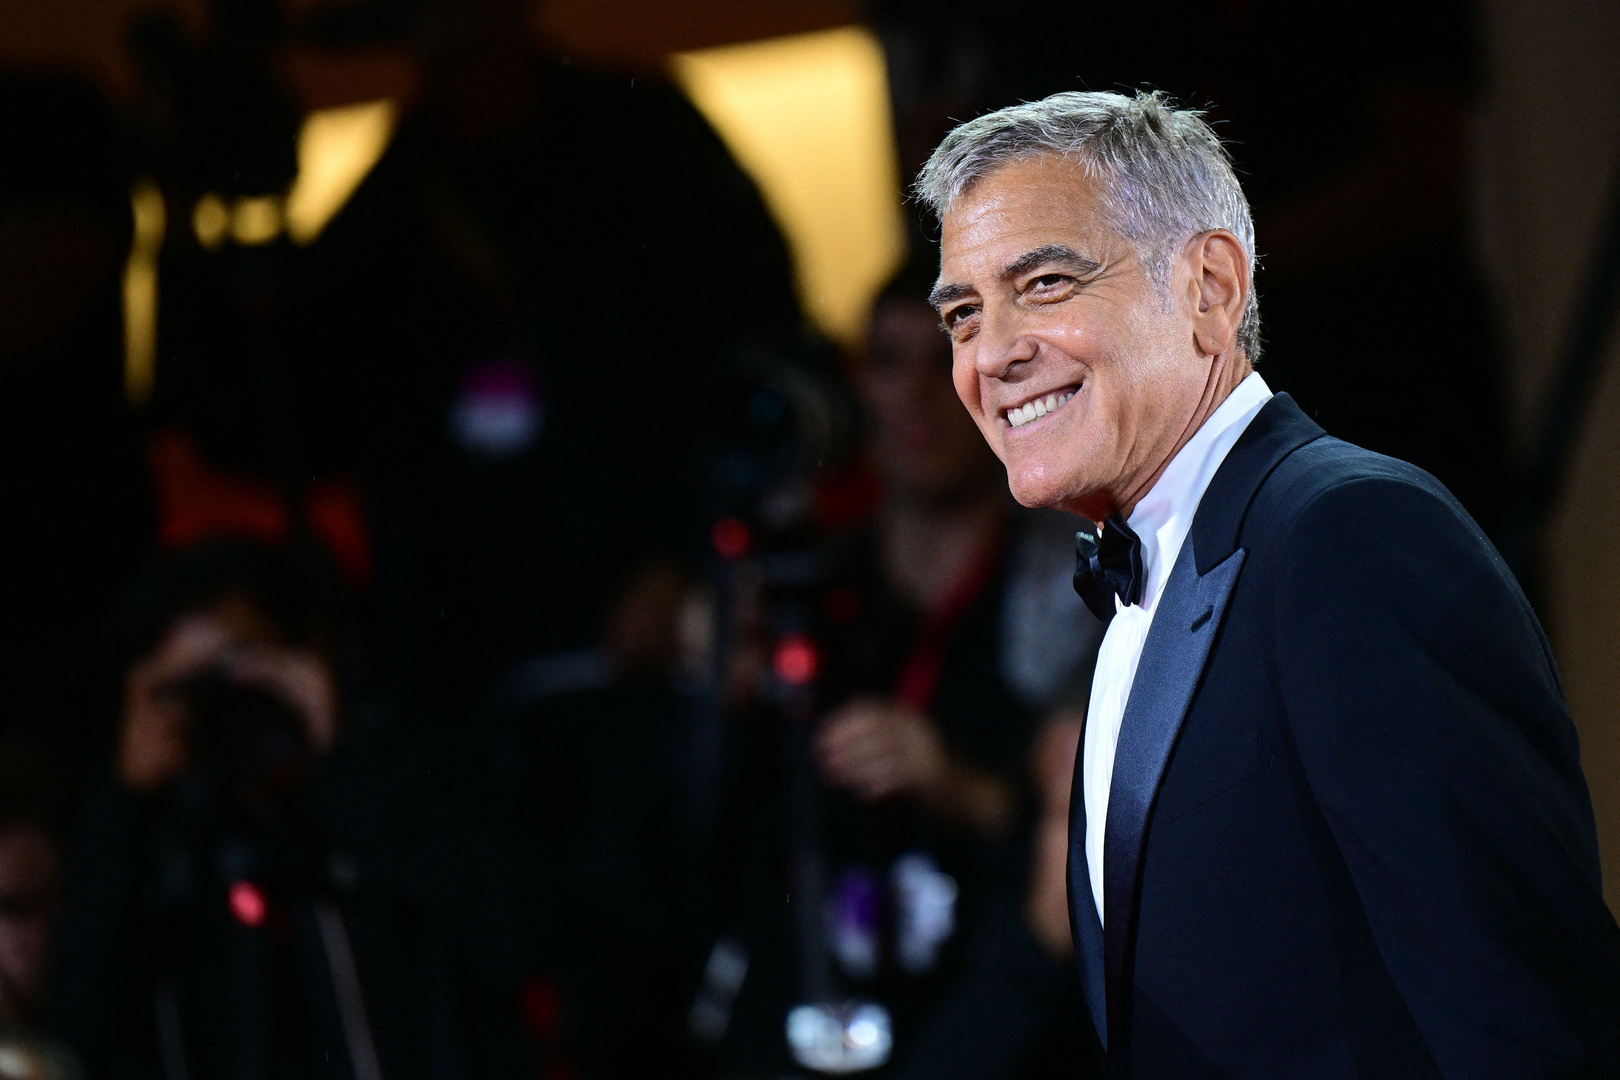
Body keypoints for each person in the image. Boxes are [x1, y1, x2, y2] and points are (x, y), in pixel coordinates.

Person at [915, 90, 1620, 1076]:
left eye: (1044, 284)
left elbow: (1524, 1020)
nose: (992, 354)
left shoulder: (1348, 536)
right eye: (964, 315)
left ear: (1210, 288)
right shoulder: (1141, 582)